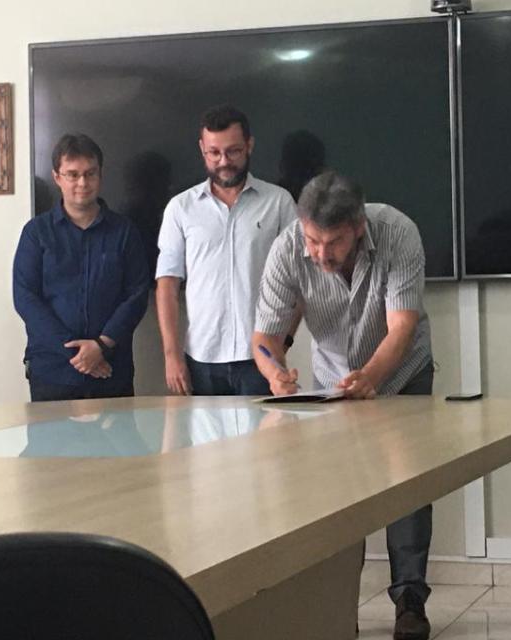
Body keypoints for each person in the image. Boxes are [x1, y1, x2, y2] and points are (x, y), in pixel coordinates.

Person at [252, 171, 434, 640]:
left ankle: (410, 601)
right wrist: (275, 372)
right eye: (312, 240)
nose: (320, 254)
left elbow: (402, 327)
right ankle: (339, 609)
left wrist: (370, 378)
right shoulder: (287, 248)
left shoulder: (397, 232)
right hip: (332, 382)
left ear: (357, 226)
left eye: (332, 242)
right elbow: (265, 338)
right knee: (337, 495)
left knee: (406, 486)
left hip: (401, 373)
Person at [156, 105, 297, 396]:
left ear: (249, 145)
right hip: (202, 357)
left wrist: (283, 342)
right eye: (214, 153)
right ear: (202, 149)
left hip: (261, 358)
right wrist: (171, 356)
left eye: (233, 151)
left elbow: (299, 281)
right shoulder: (180, 208)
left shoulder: (279, 202)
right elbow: (167, 285)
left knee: (268, 428)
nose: (223, 162)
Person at [13, 133, 152, 401]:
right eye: (72, 174)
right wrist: (79, 355)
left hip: (111, 370)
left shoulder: (124, 231)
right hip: (53, 372)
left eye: (90, 174)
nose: (82, 183)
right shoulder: (36, 233)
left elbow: (136, 295)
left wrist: (101, 346)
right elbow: (25, 298)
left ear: (100, 175)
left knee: (120, 432)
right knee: (52, 433)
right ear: (57, 177)